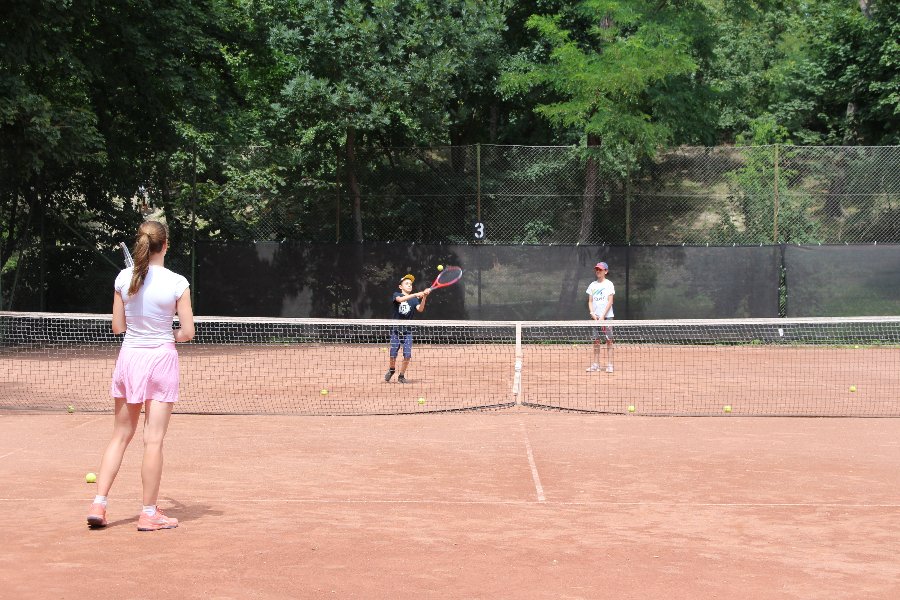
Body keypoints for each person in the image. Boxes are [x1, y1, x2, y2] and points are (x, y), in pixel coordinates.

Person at [86, 220, 194, 531]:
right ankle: (149, 513)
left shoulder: (123, 278)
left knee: (120, 436)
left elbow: (118, 327)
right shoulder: (177, 282)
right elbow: (188, 332)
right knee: (153, 440)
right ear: (166, 245)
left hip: (129, 358)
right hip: (161, 360)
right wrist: (169, 334)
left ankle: (99, 503)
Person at [384, 274, 431, 383]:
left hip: (407, 331)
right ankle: (392, 370)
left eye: (411, 284)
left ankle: (401, 376)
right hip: (396, 329)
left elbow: (420, 309)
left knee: (407, 355)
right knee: (393, 354)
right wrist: (416, 294)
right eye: (407, 283)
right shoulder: (396, 294)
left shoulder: (414, 300)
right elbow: (400, 300)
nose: (409, 285)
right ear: (400, 286)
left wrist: (424, 297)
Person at [586, 261, 615, 373]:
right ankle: (596, 364)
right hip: (595, 318)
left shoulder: (609, 284)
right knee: (596, 341)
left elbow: (610, 301)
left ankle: (609, 365)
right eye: (597, 269)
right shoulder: (592, 285)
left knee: (609, 341)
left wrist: (603, 315)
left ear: (605, 271)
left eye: (600, 269)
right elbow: (590, 301)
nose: (598, 271)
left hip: (607, 317)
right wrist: (592, 313)